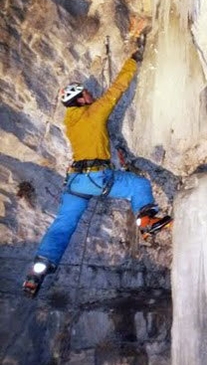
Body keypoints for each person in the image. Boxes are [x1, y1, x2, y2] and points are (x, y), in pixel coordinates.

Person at [23, 31, 172, 297]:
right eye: (87, 93)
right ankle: (146, 219)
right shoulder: (92, 113)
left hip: (76, 183)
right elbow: (116, 90)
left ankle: (39, 269)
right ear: (80, 99)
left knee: (63, 224)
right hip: (97, 177)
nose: (91, 95)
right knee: (138, 185)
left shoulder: (70, 122)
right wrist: (134, 59)